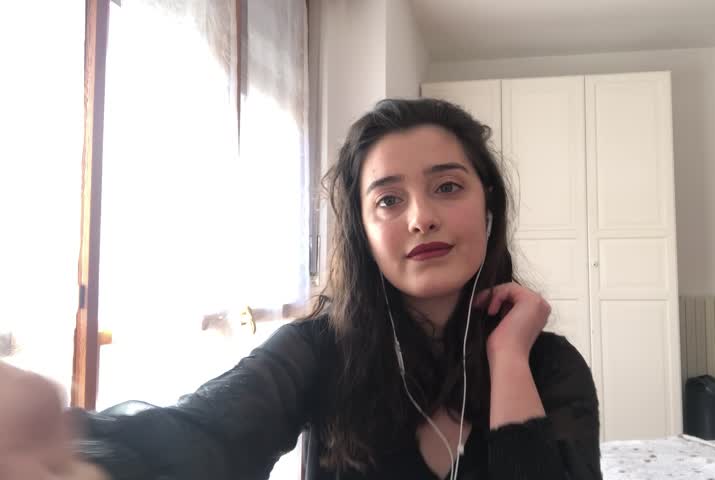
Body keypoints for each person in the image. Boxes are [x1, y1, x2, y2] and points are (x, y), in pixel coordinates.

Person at [0, 98, 601, 479]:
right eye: (388, 200)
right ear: (363, 231)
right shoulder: (319, 348)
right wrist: (75, 458)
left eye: (447, 187)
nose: (421, 218)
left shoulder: (549, 365)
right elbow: (206, 432)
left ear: (488, 205)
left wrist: (508, 358)